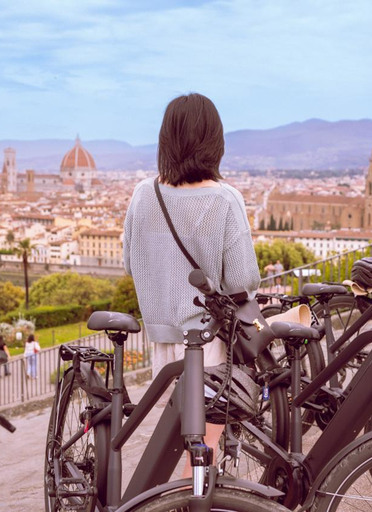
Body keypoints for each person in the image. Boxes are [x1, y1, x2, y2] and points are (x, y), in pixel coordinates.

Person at [123, 93, 261, 474]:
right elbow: (243, 280)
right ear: (215, 141)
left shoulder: (143, 194)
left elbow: (130, 264)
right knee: (203, 452)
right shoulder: (225, 200)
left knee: (181, 446)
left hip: (162, 344)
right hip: (208, 346)